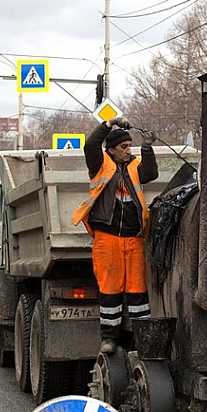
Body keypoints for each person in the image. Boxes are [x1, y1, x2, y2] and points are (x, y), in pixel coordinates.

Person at [72, 116, 158, 354]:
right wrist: (108, 124)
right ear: (111, 150)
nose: (128, 151)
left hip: (134, 238)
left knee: (138, 291)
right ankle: (109, 339)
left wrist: (148, 149)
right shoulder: (100, 164)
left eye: (130, 146)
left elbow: (151, 174)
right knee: (110, 290)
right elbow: (90, 145)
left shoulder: (135, 166)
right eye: (124, 147)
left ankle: (143, 339)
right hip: (107, 238)